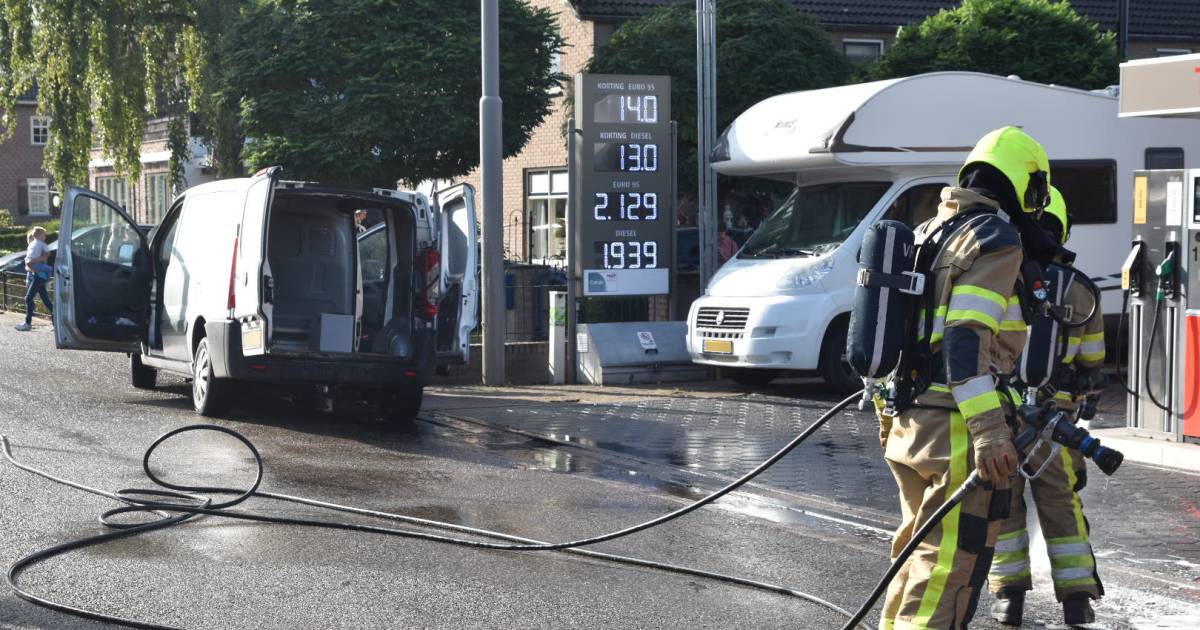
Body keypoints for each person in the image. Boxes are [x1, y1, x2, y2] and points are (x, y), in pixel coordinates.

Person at [879, 126, 1054, 629]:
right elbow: (964, 337)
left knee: (915, 555)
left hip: (911, 422)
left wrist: (889, 415)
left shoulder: (929, 230)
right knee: (947, 569)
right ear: (1027, 185)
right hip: (956, 426)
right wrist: (989, 430)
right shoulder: (994, 239)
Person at [989, 186, 1104, 626]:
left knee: (1005, 504)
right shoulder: (1081, 292)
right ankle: (1077, 601)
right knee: (1061, 504)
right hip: (1055, 423)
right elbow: (1092, 367)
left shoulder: (1000, 276)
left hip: (1001, 416)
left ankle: (1008, 598)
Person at [15, 226, 53, 332]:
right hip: (38, 276)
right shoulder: (36, 248)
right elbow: (28, 266)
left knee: (28, 298)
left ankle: (27, 323)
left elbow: (36, 264)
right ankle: (56, 322)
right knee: (46, 300)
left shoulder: (39, 248)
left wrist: (30, 264)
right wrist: (30, 265)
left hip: (39, 276)